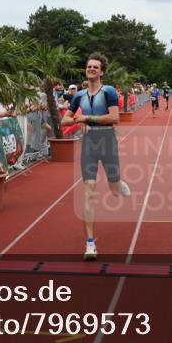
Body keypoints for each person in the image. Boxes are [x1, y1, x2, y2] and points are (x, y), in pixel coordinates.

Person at [61, 53, 131, 261]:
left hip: (108, 140)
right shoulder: (78, 96)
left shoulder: (108, 91)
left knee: (115, 190)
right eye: (88, 66)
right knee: (89, 191)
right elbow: (64, 121)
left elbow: (115, 117)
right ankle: (90, 243)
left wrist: (88, 118)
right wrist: (77, 120)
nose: (91, 69)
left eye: (95, 67)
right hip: (89, 144)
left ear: (101, 72)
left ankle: (118, 182)